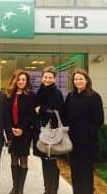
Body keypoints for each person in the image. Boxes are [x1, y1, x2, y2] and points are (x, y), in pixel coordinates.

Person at [64, 69, 104, 194]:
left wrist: (86, 134)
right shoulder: (70, 96)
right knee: (75, 173)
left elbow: (99, 120)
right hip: (73, 142)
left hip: (87, 143)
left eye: (81, 78)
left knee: (86, 173)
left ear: (86, 80)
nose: (78, 81)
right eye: (76, 79)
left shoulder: (94, 96)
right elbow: (65, 116)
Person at [33, 66, 65, 194]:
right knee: (44, 161)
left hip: (51, 132)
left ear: (55, 79)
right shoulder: (40, 91)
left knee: (51, 162)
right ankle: (47, 189)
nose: (47, 79)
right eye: (45, 77)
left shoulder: (57, 93)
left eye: (50, 77)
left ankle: (53, 190)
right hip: (40, 131)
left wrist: (42, 110)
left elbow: (59, 113)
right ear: (42, 78)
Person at [5, 69, 35, 194]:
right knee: (13, 159)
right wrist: (10, 129)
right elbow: (6, 114)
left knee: (23, 159)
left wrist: (22, 128)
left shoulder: (30, 95)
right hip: (12, 132)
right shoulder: (9, 95)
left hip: (25, 132)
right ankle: (15, 187)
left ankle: (20, 189)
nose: (21, 81)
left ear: (26, 81)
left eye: (23, 79)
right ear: (15, 80)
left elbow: (31, 115)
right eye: (19, 79)